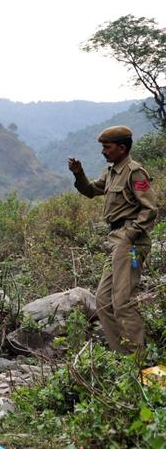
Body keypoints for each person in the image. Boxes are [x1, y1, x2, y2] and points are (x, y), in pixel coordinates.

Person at [68, 125, 157, 354]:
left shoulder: (135, 172)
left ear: (121, 147)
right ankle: (122, 357)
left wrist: (130, 235)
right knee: (103, 301)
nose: (103, 151)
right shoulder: (111, 172)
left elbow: (150, 209)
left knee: (122, 302)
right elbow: (90, 190)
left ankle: (137, 362)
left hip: (130, 243)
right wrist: (78, 173)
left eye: (107, 147)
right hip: (116, 241)